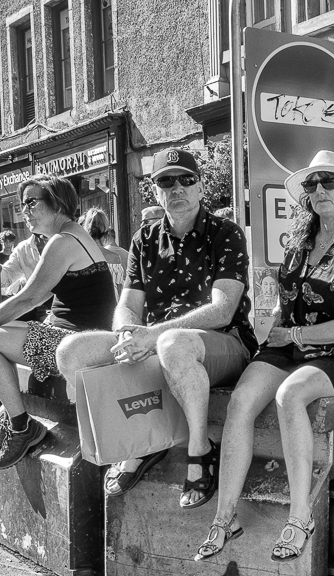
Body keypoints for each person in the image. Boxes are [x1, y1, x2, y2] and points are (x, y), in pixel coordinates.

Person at [194, 150, 334, 563]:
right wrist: (275, 324)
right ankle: (224, 517)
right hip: (286, 346)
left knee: (290, 395)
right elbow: (287, 300)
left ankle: (300, 517)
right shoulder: (299, 246)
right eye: (312, 185)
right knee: (241, 401)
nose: (319, 190)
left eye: (329, 182)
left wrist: (296, 333)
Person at [56, 148, 257, 502]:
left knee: (173, 344)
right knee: (71, 352)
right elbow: (127, 305)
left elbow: (224, 310)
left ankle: (200, 449)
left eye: (185, 180)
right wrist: (126, 333)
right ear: (154, 190)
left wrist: (152, 336)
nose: (176, 188)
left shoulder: (226, 233)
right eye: (166, 181)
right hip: (156, 342)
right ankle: (138, 440)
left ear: (199, 186)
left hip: (223, 343)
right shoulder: (144, 239)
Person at [0, 175, 117, 470]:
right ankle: (15, 421)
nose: (24, 210)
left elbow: (29, 299)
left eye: (31, 202)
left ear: (57, 203)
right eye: (22, 203)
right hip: (71, 337)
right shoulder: (70, 236)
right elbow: (31, 297)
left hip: (76, 344)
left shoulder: (63, 242)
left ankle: (21, 427)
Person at [79, 208, 128, 294]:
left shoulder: (79, 258)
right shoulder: (115, 258)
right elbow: (120, 291)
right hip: (111, 302)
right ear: (105, 231)